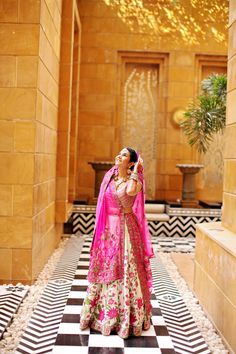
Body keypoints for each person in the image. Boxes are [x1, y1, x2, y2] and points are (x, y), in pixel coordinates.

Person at [80, 147, 154, 339]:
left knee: (125, 269)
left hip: (126, 230)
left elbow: (129, 192)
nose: (118, 156)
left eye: (123, 155)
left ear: (131, 162)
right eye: (119, 153)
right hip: (108, 230)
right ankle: (101, 315)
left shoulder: (135, 181)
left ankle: (125, 319)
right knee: (105, 267)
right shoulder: (109, 177)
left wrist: (136, 170)